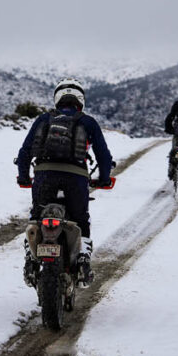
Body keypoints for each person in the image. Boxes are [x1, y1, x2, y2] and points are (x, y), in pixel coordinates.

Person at [16, 78, 113, 288]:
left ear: (57, 98)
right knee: (80, 221)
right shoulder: (88, 122)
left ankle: (31, 258)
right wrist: (104, 178)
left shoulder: (43, 119)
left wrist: (23, 176)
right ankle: (83, 261)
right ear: (80, 100)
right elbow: (103, 155)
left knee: (36, 218)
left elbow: (25, 151)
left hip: (44, 177)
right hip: (76, 179)